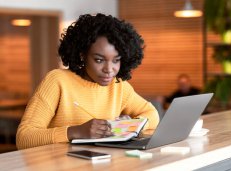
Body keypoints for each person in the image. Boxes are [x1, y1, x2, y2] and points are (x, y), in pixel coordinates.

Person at [16, 13, 159, 149]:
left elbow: (152, 114)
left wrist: (131, 125)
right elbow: (24, 137)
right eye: (99, 60)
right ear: (82, 55)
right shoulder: (57, 81)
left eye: (116, 60)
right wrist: (75, 132)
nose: (109, 69)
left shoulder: (119, 86)